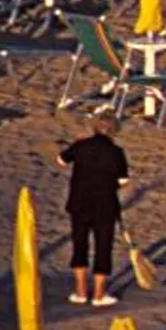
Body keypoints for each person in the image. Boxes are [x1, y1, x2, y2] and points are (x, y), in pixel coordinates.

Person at [58, 116, 130, 308]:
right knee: (103, 247)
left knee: (79, 244)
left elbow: (62, 159)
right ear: (114, 132)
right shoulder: (116, 152)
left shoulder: (81, 146)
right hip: (105, 205)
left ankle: (80, 291)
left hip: (79, 203)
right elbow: (123, 181)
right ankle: (98, 294)